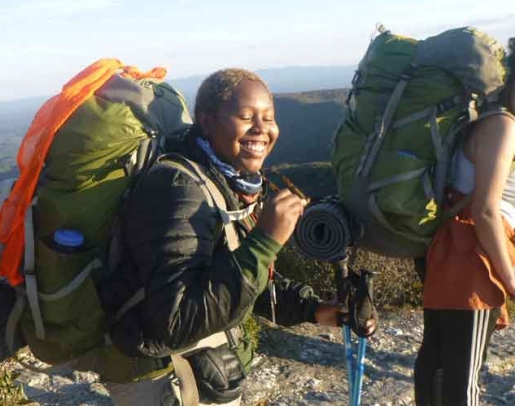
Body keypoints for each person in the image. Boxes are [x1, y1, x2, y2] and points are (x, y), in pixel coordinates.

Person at [101, 68, 377, 405]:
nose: (261, 129)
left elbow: (237, 276)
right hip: (159, 375)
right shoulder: (178, 191)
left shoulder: (227, 182)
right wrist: (264, 242)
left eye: (269, 117)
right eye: (246, 117)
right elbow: (175, 320)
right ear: (206, 121)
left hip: (197, 361)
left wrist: (315, 310)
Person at [415, 48, 515, 406]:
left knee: (440, 365)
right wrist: (511, 281)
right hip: (473, 261)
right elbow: (486, 212)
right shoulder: (504, 127)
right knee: (462, 381)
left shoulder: (486, 120)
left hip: (454, 256)